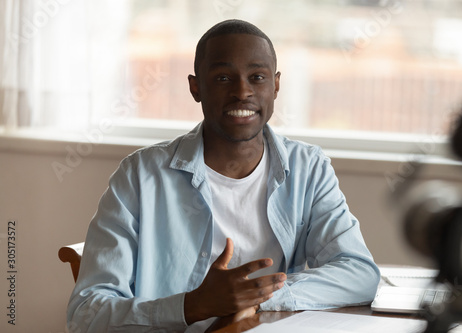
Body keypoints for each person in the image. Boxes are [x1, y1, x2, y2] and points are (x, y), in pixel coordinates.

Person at [67, 19, 380, 332]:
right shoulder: (140, 175)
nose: (242, 91)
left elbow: (359, 273)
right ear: (196, 87)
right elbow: (86, 314)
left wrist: (256, 299)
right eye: (222, 78)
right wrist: (193, 305)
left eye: (257, 77)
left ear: (276, 85)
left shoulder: (308, 168)